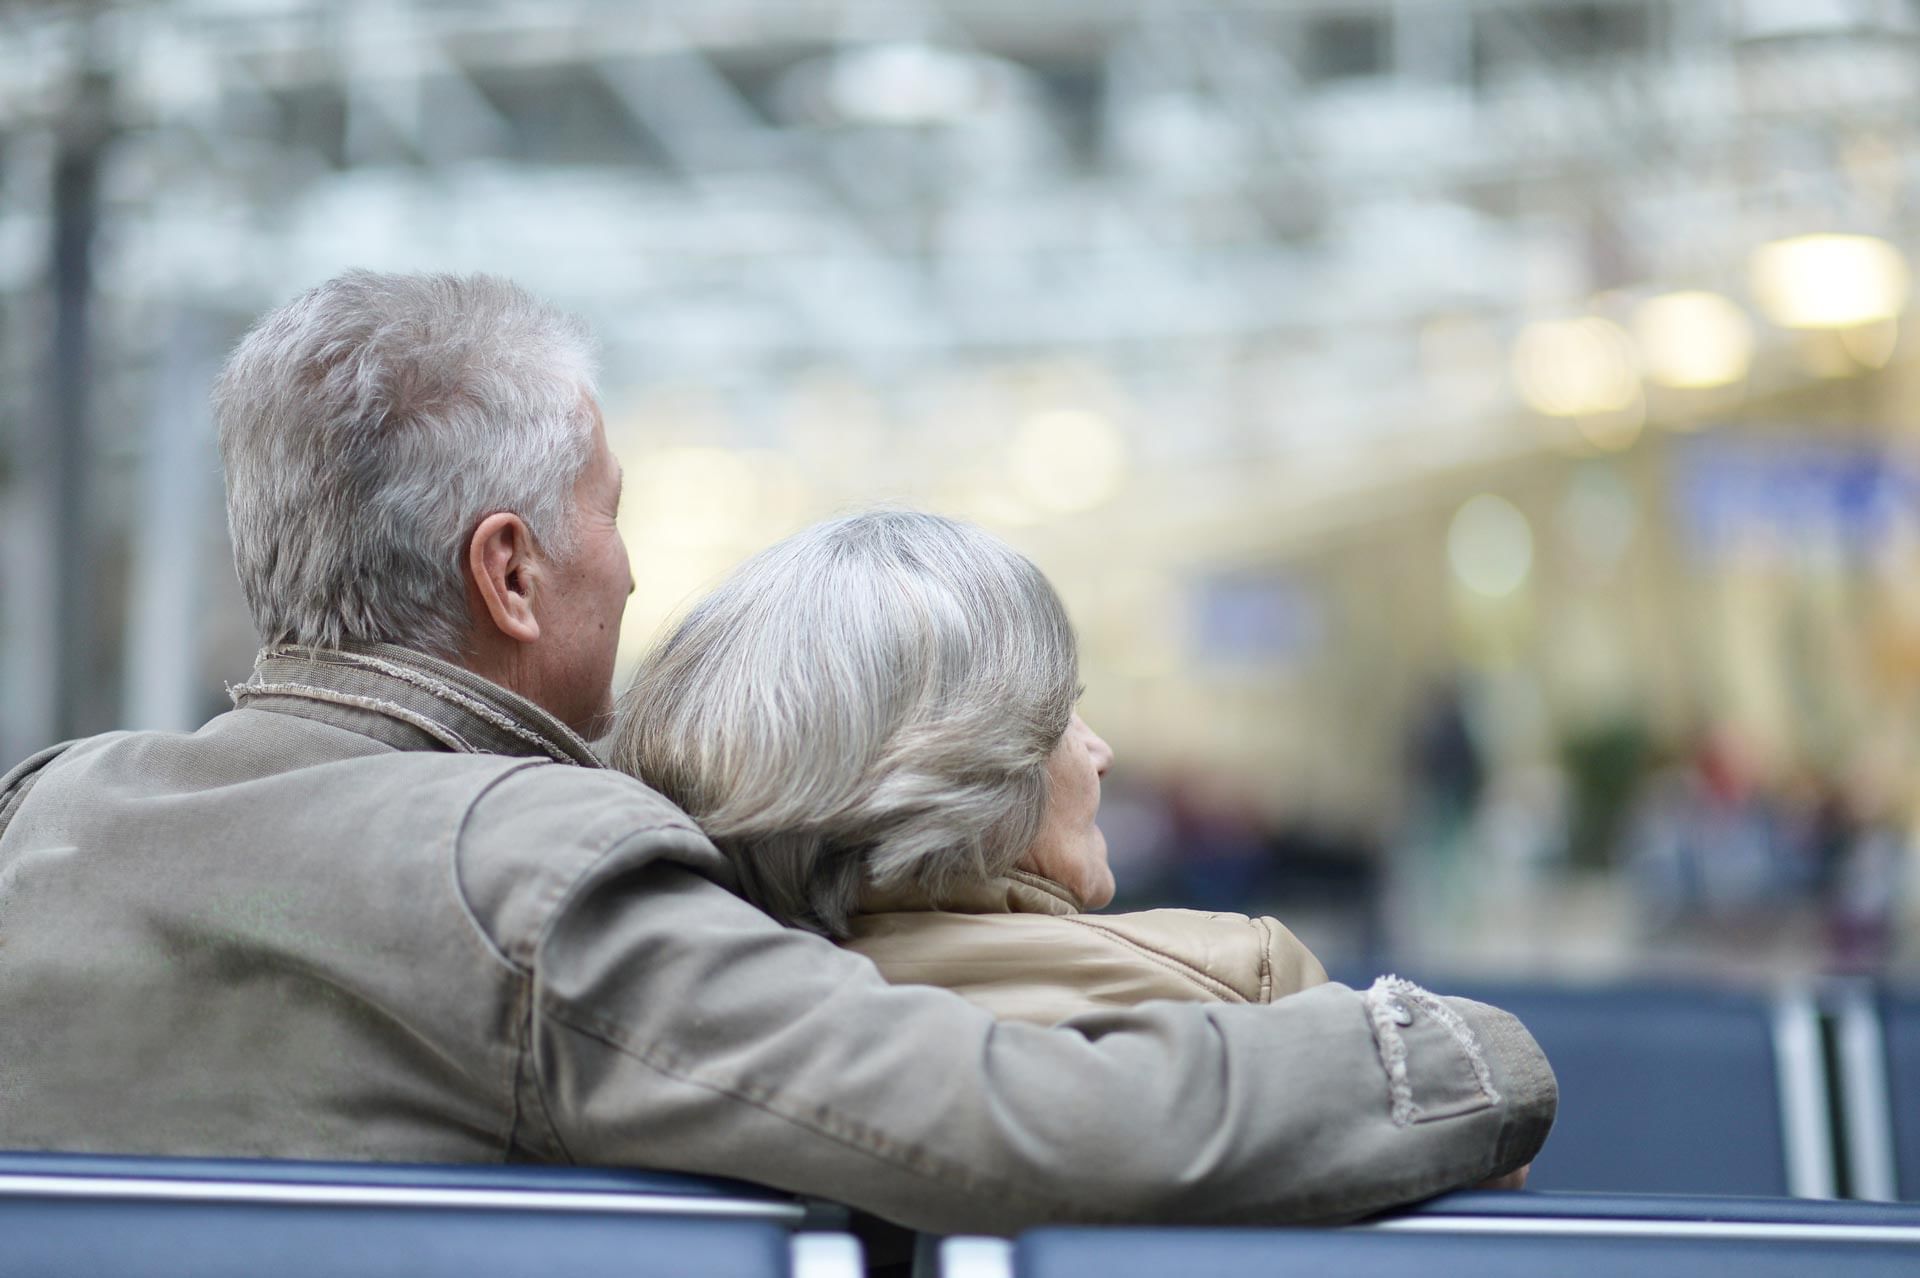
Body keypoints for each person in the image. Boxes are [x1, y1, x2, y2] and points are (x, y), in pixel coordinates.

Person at [0, 270, 1552, 1236]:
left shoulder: (44, 816)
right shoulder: (532, 874)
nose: (629, 568)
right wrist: (1431, 1059)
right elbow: (1000, 1124)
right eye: (610, 514)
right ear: (513, 572)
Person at [616, 511, 1329, 1024]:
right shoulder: (1244, 986)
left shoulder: (652, 1011)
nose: (1100, 754)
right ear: (964, 764)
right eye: (1061, 719)